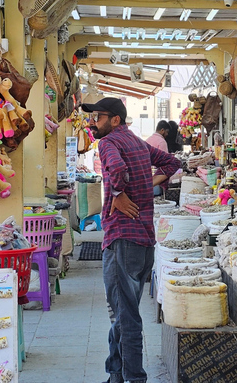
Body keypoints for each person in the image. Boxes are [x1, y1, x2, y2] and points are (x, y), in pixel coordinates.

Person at [81, 97, 180, 383]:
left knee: (125, 317)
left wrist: (118, 193)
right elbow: (172, 163)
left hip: (122, 239)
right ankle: (115, 374)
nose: (92, 122)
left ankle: (134, 377)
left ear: (115, 120)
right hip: (143, 241)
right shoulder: (137, 143)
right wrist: (147, 184)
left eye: (98, 117)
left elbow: (117, 170)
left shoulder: (109, 142)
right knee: (123, 313)